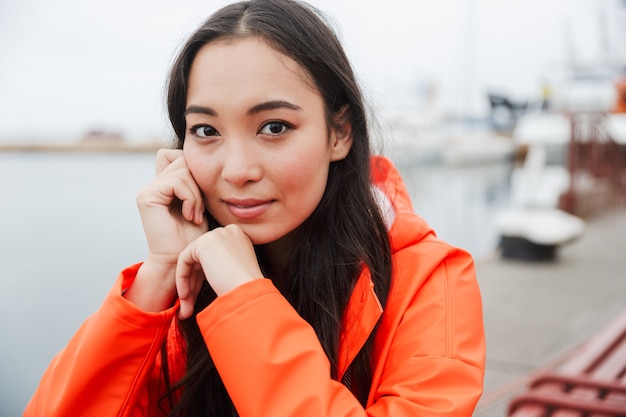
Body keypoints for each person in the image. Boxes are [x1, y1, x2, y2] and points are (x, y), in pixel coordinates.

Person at [24, 0, 485, 416]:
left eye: (274, 126)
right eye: (206, 131)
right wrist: (157, 275)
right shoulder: (176, 289)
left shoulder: (429, 280)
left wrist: (244, 296)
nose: (237, 170)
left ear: (339, 134)